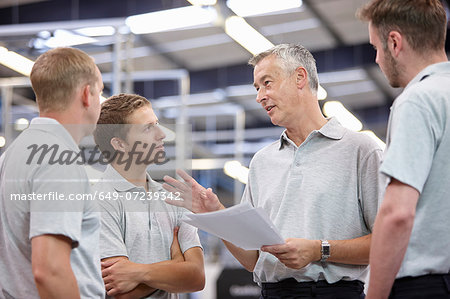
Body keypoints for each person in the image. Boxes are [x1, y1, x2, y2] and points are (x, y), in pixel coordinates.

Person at [163, 44, 383, 298]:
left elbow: (386, 242)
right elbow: (253, 259)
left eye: (267, 83)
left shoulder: (360, 150)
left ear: (300, 78)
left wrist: (318, 250)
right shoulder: (261, 162)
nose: (259, 97)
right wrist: (218, 216)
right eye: (257, 88)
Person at [358, 1, 450, 298]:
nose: (376, 58)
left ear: (395, 42)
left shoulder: (418, 100)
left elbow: (398, 213)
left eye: (376, 47)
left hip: (426, 286)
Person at [0, 47, 104, 298]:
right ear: (87, 95)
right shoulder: (57, 159)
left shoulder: (11, 155)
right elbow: (50, 270)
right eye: (100, 92)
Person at [92, 93, 205, 299]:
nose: (161, 134)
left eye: (157, 124)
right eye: (147, 128)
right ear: (119, 144)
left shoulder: (173, 198)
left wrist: (138, 272)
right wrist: (177, 263)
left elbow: (196, 277)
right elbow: (121, 292)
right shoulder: (99, 201)